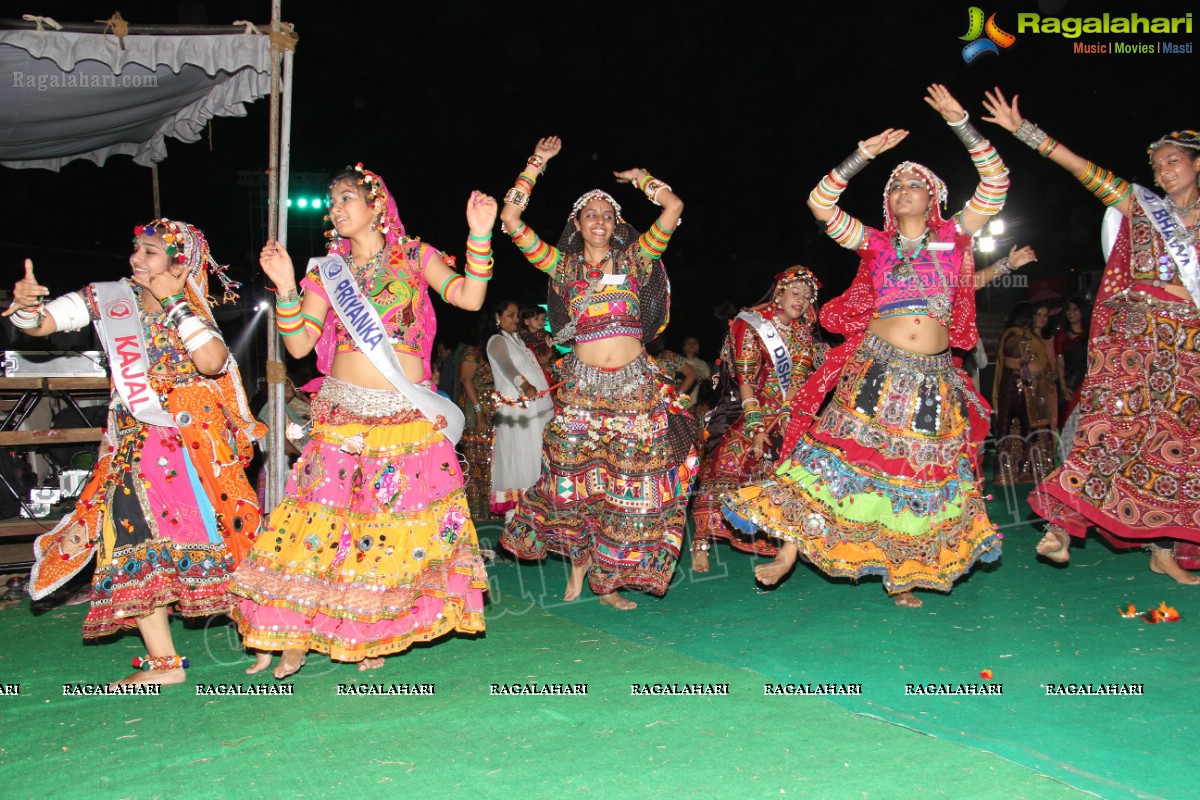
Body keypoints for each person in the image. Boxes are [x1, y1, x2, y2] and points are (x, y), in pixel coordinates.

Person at [722, 85, 1006, 607]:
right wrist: (864, 155)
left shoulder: (955, 236)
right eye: (895, 185)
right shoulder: (874, 242)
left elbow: (996, 182)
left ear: (932, 198)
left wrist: (961, 122)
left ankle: (902, 569)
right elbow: (819, 202)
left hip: (934, 375)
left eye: (913, 184)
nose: (902, 190)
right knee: (835, 458)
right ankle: (789, 547)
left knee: (917, 470)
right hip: (877, 367)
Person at [230, 165, 495, 677]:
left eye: (346, 198)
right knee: (317, 523)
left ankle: (369, 627)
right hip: (343, 412)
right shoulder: (326, 271)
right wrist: (287, 286)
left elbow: (469, 296)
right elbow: (301, 344)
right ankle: (294, 630)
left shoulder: (417, 257)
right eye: (332, 203)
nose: (336, 209)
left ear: (376, 204)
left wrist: (480, 234)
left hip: (404, 414)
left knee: (388, 529)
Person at [16, 219, 263, 685]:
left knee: (223, 540)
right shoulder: (109, 298)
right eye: (136, 248)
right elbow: (44, 323)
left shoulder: (189, 308)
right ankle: (164, 664)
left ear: (178, 263)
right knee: (127, 538)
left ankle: (269, 631)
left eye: (150, 252)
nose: (136, 259)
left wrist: (171, 300)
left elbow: (211, 363)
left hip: (191, 449)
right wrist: (26, 310)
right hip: (131, 442)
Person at [982, 91, 1200, 584]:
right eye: (1158, 165)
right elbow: (1083, 170)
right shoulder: (1143, 207)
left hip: (1188, 348)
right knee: (1112, 429)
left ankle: (1163, 548)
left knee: (1179, 445)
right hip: (1135, 341)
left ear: (1196, 164)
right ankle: (1060, 523)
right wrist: (1025, 132)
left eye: (1174, 162)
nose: (1164, 172)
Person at [498, 136, 697, 610]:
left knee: (626, 483)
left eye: (608, 215)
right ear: (577, 224)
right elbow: (510, 222)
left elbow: (674, 206)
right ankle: (579, 570)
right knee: (572, 477)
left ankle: (608, 582)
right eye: (591, 215)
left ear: (617, 224)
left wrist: (641, 179)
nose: (600, 221)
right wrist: (536, 164)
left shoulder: (635, 259)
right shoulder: (562, 266)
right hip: (582, 389)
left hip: (634, 386)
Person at [691, 266, 826, 573]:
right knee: (727, 460)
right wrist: (756, 426)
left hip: (786, 410)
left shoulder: (803, 333)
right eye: (796, 293)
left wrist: (792, 413)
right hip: (750, 404)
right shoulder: (752, 324)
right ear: (779, 293)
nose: (802, 301)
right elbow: (745, 379)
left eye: (807, 297)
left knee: (800, 469)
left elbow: (798, 381)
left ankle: (783, 540)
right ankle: (701, 541)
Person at [487, 298, 553, 517]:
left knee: (537, 454)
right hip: (517, 410)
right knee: (520, 456)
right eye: (510, 315)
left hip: (535, 407)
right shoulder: (497, 340)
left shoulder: (519, 342)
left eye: (517, 315)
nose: (516, 319)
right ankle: (516, 517)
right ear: (498, 318)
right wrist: (523, 384)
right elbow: (506, 366)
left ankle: (535, 511)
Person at [992, 303, 1056, 485]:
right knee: (1017, 429)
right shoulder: (1014, 335)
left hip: (1032, 391)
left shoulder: (1031, 338)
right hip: (1017, 391)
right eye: (1036, 316)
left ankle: (1029, 471)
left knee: (1031, 429)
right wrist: (1025, 364)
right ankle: (1011, 472)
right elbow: (1012, 359)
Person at [457, 329, 498, 522]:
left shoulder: (494, 352)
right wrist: (479, 410)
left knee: (491, 461)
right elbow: (466, 380)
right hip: (476, 415)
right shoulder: (473, 353)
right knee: (476, 463)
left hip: (493, 413)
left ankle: (491, 510)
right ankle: (476, 512)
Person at [1053, 295, 1091, 427]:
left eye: (1075, 309)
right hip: (1069, 381)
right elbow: (1060, 361)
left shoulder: (1090, 334)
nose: (1071, 313)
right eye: (1069, 310)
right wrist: (1063, 386)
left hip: (1086, 381)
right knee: (1067, 417)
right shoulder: (1062, 335)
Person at [519, 301, 554, 383]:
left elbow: (550, 347)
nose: (540, 322)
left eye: (542, 319)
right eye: (536, 319)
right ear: (526, 321)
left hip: (544, 364)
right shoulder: (522, 337)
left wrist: (547, 357)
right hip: (530, 368)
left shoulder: (545, 335)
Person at [679, 335, 713, 406]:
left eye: (694, 343)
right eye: (688, 343)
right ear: (683, 348)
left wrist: (702, 382)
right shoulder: (678, 361)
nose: (691, 345)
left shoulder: (703, 364)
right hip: (681, 397)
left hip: (698, 400)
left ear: (698, 348)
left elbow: (709, 383)